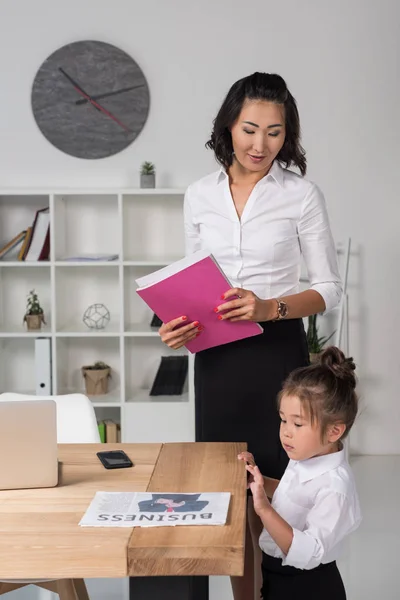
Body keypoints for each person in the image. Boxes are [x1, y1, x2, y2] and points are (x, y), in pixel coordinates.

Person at [158, 72, 342, 600]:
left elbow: (330, 289)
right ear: (228, 127)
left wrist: (269, 306)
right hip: (216, 358)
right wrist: (178, 324)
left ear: (289, 135)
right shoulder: (198, 195)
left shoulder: (302, 195)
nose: (261, 145)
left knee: (279, 493)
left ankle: (273, 591)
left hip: (276, 357)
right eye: (250, 129)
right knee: (227, 492)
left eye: (275, 132)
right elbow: (192, 279)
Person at [238, 346, 362, 600]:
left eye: (297, 423)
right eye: (283, 420)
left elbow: (309, 554)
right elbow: (294, 494)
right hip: (277, 577)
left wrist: (264, 509)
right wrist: (259, 482)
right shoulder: (306, 456)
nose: (286, 432)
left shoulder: (334, 488)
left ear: (333, 432)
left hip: (307, 586)